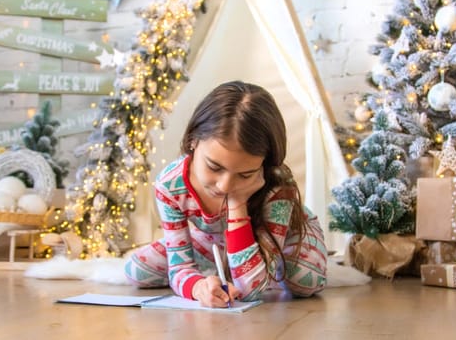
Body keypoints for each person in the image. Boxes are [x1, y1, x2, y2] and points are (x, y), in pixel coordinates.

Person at [124, 81, 327, 308]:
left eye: (245, 174)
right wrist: (199, 287)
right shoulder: (169, 185)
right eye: (214, 167)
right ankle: (225, 262)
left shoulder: (277, 187)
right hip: (216, 238)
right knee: (137, 271)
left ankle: (253, 267)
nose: (224, 186)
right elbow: (180, 269)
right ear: (193, 140)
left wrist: (237, 202)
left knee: (304, 281)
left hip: (283, 236)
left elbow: (251, 292)